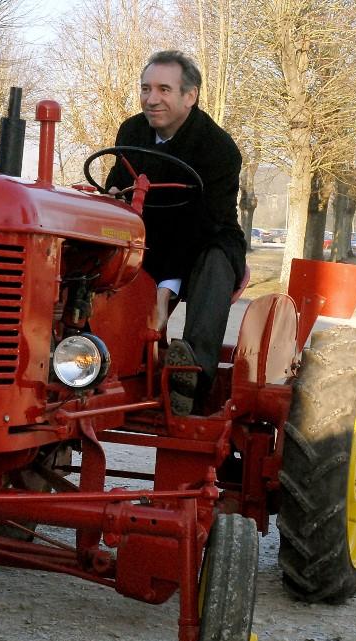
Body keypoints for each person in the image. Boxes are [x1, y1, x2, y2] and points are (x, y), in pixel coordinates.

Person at [105, 51, 246, 416]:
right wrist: (112, 199)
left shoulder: (218, 148)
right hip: (145, 236)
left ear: (190, 96)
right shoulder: (132, 130)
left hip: (202, 239)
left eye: (164, 89)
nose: (152, 99)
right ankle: (91, 360)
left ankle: (192, 376)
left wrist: (165, 293)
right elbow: (114, 187)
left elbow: (203, 224)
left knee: (215, 263)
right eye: (146, 88)